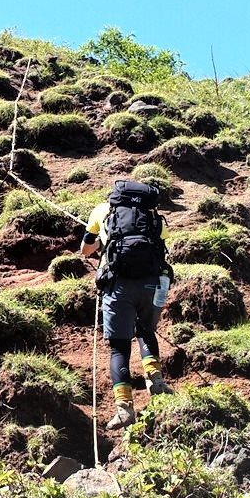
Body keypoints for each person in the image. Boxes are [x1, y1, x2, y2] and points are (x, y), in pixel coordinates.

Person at [80, 179, 174, 430]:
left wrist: (102, 243)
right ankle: (156, 382)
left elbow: (85, 250)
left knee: (119, 349)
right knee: (145, 332)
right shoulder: (153, 217)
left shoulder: (102, 211)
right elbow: (162, 246)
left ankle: (124, 410)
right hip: (151, 284)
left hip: (117, 286)